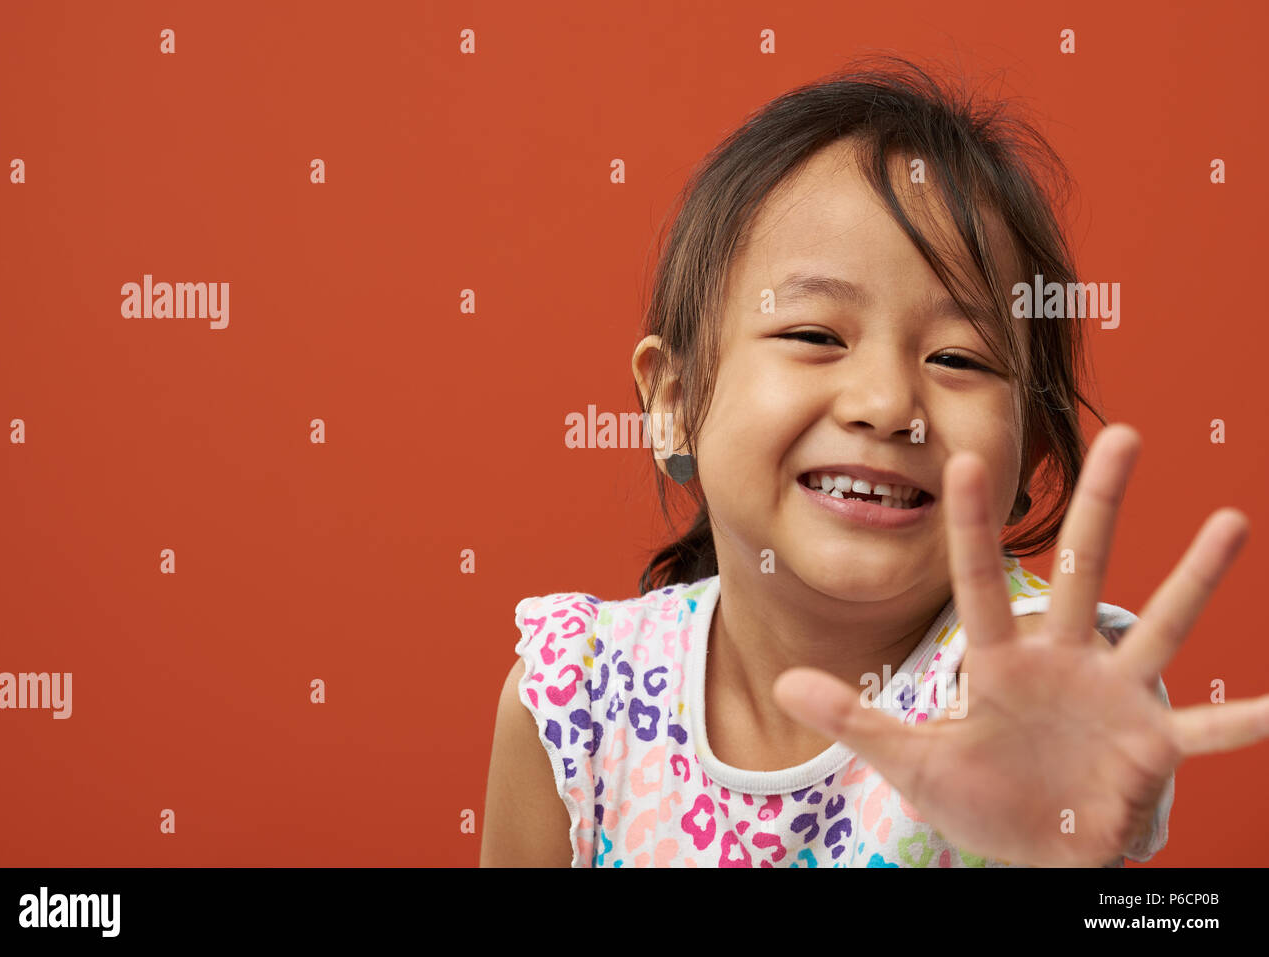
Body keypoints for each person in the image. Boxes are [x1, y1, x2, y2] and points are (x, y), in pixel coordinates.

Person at [479, 56, 1266, 867]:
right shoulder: (576, 699)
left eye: (960, 358)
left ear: (1027, 447)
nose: (889, 403)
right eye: (816, 335)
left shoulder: (1015, 667)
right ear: (673, 401)